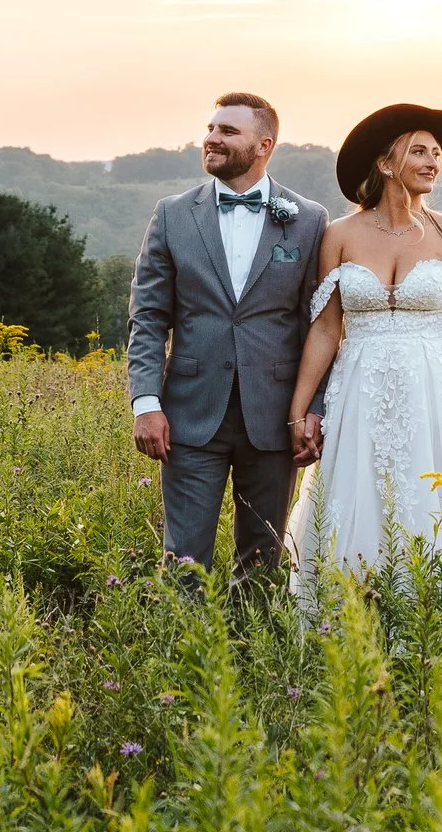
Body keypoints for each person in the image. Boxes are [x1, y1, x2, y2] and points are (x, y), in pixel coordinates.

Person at [285, 103, 442, 588]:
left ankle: (435, 618)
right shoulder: (339, 235)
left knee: (430, 497)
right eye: (419, 152)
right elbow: (326, 329)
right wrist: (301, 408)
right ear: (386, 164)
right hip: (358, 390)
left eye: (436, 153)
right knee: (356, 497)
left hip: (434, 392)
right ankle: (346, 617)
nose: (433, 162)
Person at [125, 93, 330, 583]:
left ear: (264, 145)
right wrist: (145, 403)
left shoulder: (308, 220)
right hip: (189, 416)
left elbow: (318, 325)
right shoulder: (173, 214)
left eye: (228, 131)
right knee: (184, 562)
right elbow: (148, 317)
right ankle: (185, 654)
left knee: (262, 562)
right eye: (212, 128)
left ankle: (248, 657)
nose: (212, 138)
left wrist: (315, 408)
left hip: (276, 417)